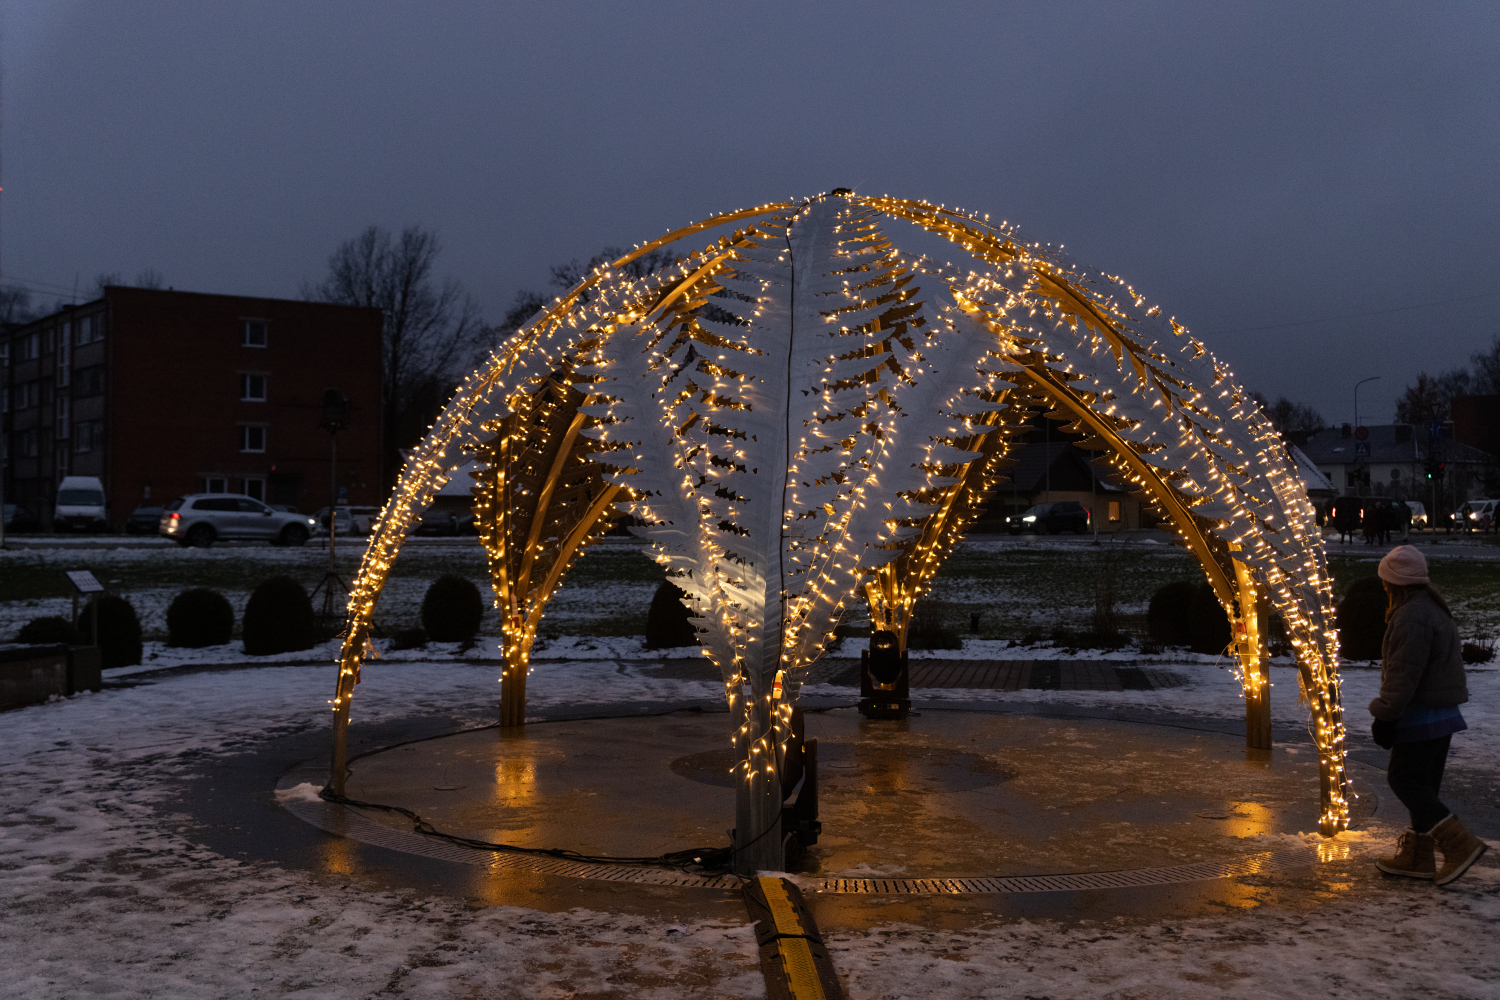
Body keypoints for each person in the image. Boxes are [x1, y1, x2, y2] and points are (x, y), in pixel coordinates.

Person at [1369, 545, 1486, 885]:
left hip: (1421, 716)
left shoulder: (1411, 616)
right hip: (1442, 716)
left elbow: (1403, 673)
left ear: (1393, 583)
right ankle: (1418, 857)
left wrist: (1387, 715)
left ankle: (1459, 845)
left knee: (1403, 780)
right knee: (1423, 787)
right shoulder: (1432, 608)